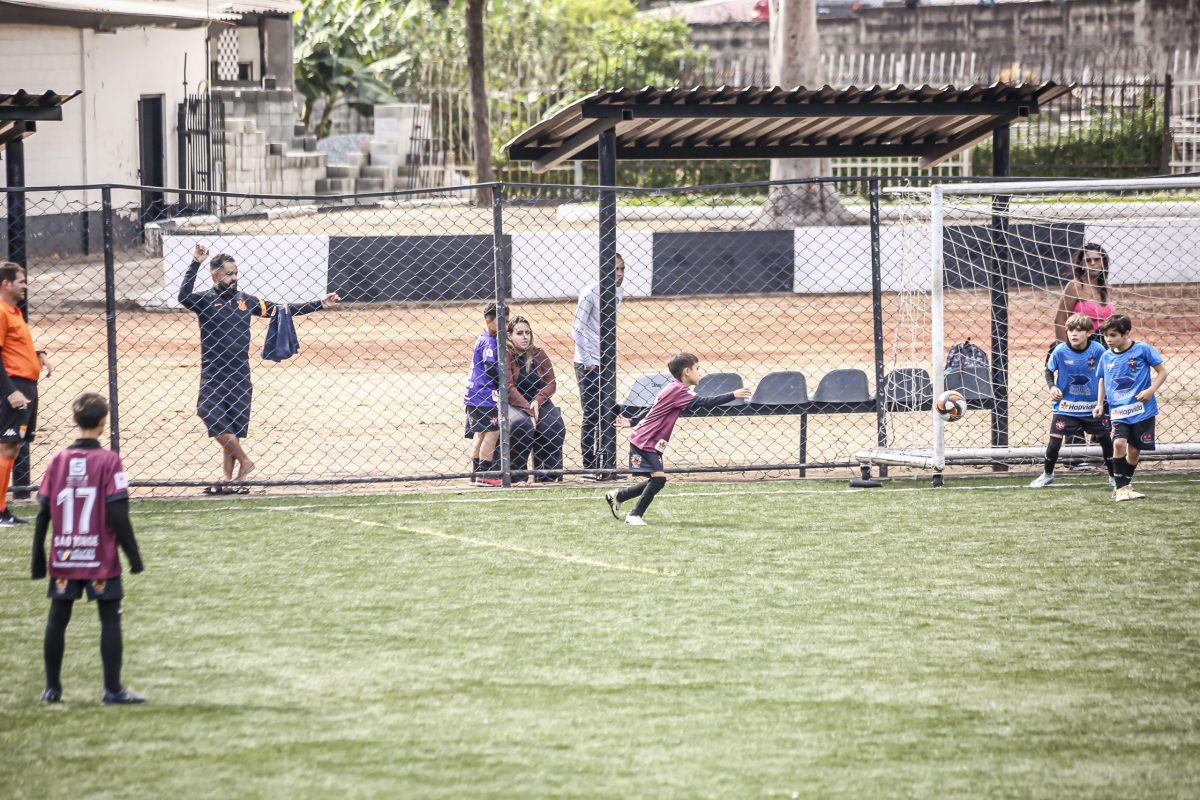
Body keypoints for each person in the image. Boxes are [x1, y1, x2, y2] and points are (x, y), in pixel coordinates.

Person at [178, 244, 339, 493]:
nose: (234, 278)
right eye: (229, 274)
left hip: (240, 375)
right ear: (215, 276)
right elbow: (183, 297)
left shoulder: (246, 301)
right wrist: (195, 262)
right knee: (207, 411)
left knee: (232, 428)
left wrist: (319, 304)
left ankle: (231, 480)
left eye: (236, 273)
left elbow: (281, 310)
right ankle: (245, 461)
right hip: (213, 375)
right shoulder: (204, 301)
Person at [32, 392, 145, 704]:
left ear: (73, 420)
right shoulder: (109, 461)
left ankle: (51, 689)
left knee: (57, 618)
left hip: (65, 555)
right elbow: (118, 513)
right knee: (109, 619)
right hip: (100, 558)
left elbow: (43, 511)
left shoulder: (57, 461)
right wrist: (133, 556)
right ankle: (112, 690)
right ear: (104, 421)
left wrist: (38, 558)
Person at [604, 352, 751, 526]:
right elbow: (705, 402)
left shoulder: (675, 388)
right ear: (687, 371)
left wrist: (632, 421)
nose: (700, 373)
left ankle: (619, 496)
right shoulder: (679, 391)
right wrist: (733, 395)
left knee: (657, 480)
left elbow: (653, 409)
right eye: (697, 369)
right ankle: (634, 515)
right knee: (658, 479)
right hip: (645, 441)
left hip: (647, 439)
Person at [1029, 313, 1114, 488]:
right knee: (1054, 442)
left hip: (1092, 407)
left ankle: (1114, 476)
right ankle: (1047, 474)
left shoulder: (1098, 350)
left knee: (1106, 440)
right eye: (1070, 330)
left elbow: (1107, 372)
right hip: (1066, 407)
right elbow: (1048, 370)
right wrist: (1052, 387)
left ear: (1089, 333)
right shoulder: (1060, 351)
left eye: (1079, 330)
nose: (1074, 334)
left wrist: (1102, 400)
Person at [1094, 314, 1168, 502]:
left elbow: (1162, 372)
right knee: (1119, 443)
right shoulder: (1106, 356)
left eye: (1113, 335)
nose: (1108, 339)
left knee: (1134, 451)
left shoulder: (1142, 349)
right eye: (1106, 336)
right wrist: (1099, 403)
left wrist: (1150, 390)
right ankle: (1120, 489)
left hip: (1143, 410)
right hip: (1119, 411)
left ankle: (1125, 485)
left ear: (1126, 333)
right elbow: (1102, 380)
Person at [0, 262, 52, 526]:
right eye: (21, 281)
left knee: (13, 447)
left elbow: (13, 347)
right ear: (6, 284)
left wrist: (37, 353)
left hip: (26, 386)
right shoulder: (1, 311)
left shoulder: (14, 312)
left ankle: (2, 510)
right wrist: (10, 391)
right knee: (6, 446)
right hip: (15, 387)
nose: (25, 286)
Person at [572, 254, 624, 479]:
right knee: (592, 414)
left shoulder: (619, 292)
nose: (619, 274)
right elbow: (577, 329)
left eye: (622, 269)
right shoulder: (590, 293)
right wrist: (587, 360)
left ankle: (606, 463)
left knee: (608, 412)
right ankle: (589, 466)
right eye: (615, 270)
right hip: (589, 364)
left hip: (607, 362)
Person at [505, 315, 566, 483]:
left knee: (554, 425)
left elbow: (551, 383)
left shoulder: (538, 353)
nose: (525, 337)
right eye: (519, 333)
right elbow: (508, 387)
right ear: (510, 335)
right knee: (522, 425)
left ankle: (547, 476)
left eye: (527, 332)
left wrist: (537, 401)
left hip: (537, 401)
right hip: (514, 402)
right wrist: (528, 410)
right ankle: (518, 477)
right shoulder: (506, 354)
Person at [464, 303, 506, 487]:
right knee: (492, 432)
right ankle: (484, 474)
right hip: (484, 395)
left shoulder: (482, 337)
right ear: (489, 321)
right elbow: (490, 368)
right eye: (501, 321)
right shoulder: (490, 341)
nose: (505, 325)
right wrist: (501, 384)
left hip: (474, 394)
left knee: (481, 434)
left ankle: (475, 474)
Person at [1054, 243, 1114, 342]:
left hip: (1105, 342)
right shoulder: (1074, 286)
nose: (1093, 263)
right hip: (1080, 342)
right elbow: (1059, 320)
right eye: (1088, 260)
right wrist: (1064, 348)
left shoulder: (1107, 288)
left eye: (1097, 260)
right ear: (1082, 264)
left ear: (1103, 263)